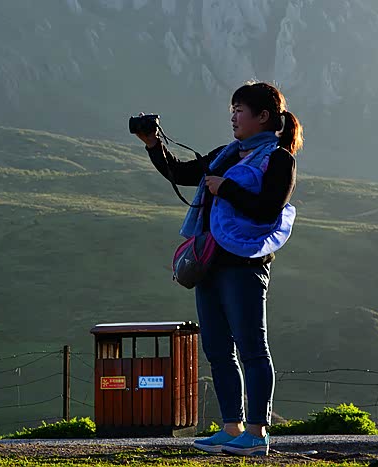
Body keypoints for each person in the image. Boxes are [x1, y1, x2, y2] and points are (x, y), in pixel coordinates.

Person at [135, 81, 303, 457]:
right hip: (210, 263)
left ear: (263, 116)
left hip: (245, 265)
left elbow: (268, 209)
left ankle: (257, 433)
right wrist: (153, 144)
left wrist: (226, 188)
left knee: (252, 349)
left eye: (239, 110)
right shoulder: (227, 154)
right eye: (232, 110)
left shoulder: (279, 159)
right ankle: (232, 428)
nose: (233, 117)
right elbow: (181, 173)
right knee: (218, 349)